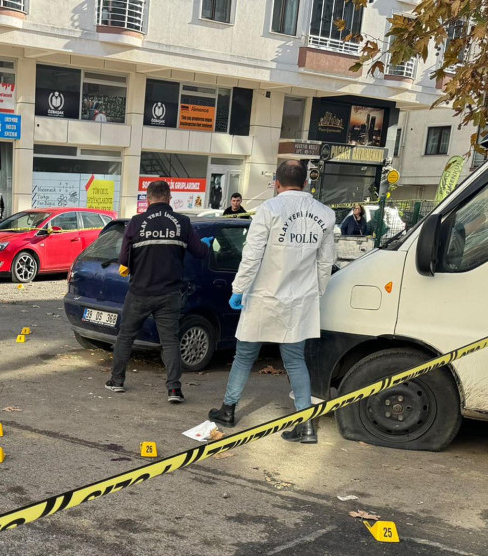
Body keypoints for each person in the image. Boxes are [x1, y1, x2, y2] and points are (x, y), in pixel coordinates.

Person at [207, 159, 337, 444]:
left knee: (244, 356)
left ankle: (228, 410)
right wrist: (317, 294)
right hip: (299, 300)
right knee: (294, 361)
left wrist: (238, 289)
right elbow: (325, 263)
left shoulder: (268, 210)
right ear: (305, 183)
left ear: (276, 183)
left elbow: (251, 256)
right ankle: (306, 425)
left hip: (264, 296)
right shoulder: (325, 215)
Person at [105, 180, 209, 403]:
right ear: (169, 198)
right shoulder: (182, 222)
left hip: (139, 292)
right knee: (170, 341)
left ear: (148, 199)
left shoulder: (136, 222)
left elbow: (123, 259)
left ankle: (117, 381)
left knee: (125, 337)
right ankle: (174, 390)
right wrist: (207, 243)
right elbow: (200, 252)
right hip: (169, 293)